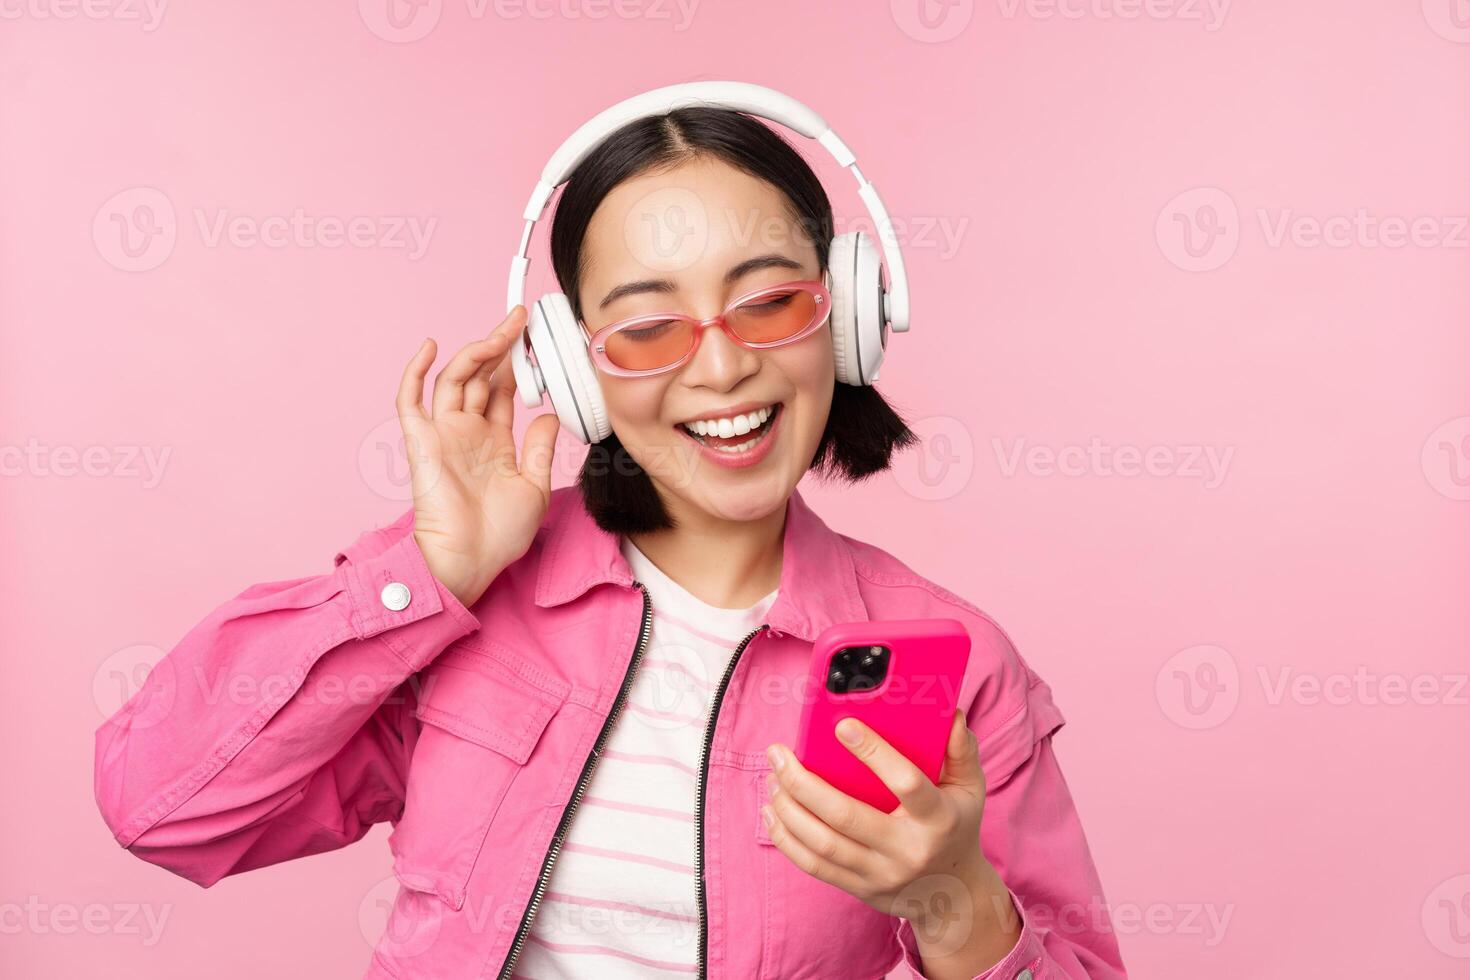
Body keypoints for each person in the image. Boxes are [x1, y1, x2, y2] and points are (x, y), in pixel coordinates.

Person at [94, 101, 1127, 980]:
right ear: (575, 370)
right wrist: (433, 570)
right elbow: (161, 805)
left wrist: (954, 902)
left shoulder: (949, 657)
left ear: (847, 314)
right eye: (646, 326)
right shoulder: (470, 594)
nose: (720, 367)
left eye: (769, 301)